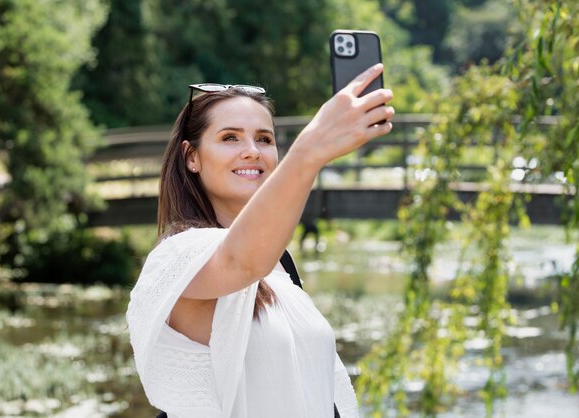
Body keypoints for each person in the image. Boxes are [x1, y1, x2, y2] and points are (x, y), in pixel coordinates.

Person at [126, 63, 394, 418]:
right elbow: (240, 261)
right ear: (192, 157)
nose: (253, 151)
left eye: (264, 139)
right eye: (230, 138)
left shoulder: (279, 268)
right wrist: (310, 150)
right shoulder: (178, 256)